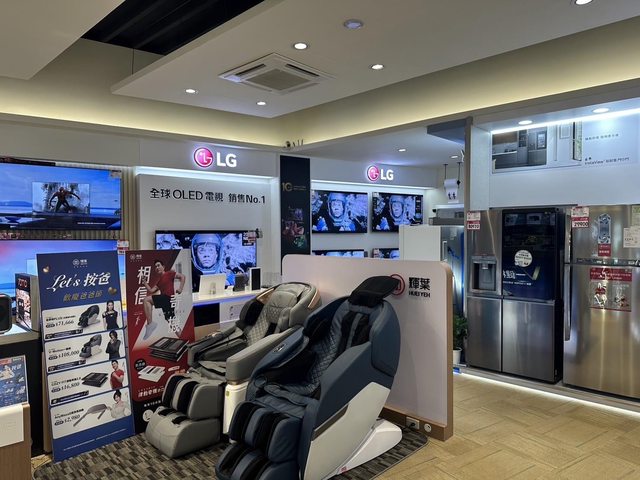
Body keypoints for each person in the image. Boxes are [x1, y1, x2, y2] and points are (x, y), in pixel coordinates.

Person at [142, 259, 186, 340]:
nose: (157, 267)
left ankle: (150, 325)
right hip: (166, 301)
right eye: (155, 266)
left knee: (146, 300)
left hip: (167, 298)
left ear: (163, 266)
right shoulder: (159, 281)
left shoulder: (169, 273)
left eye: (158, 265)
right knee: (172, 323)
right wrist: (144, 282)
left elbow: (182, 276)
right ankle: (183, 339)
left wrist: (180, 288)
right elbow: (151, 290)